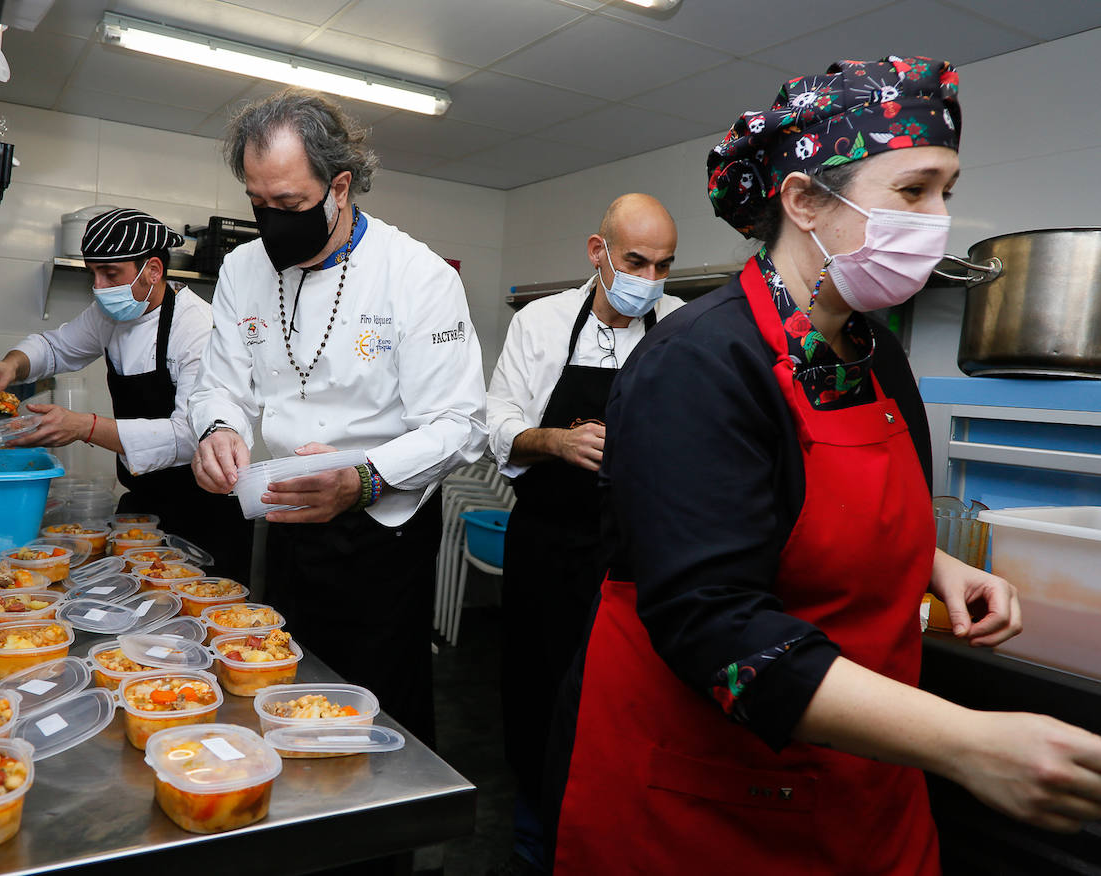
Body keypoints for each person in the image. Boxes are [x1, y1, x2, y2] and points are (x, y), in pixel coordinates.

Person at [545, 57, 1101, 875]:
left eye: (946, 190)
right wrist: (969, 740)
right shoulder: (697, 364)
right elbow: (715, 629)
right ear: (804, 200)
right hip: (711, 802)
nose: (939, 219)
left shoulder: (875, 351)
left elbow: (811, 510)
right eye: (913, 191)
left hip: (865, 782)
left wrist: (932, 561)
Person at [189, 88, 487, 747]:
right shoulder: (243, 269)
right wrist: (217, 430)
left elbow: (460, 425)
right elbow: (219, 383)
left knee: (376, 713)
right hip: (286, 520)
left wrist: (364, 479)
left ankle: (381, 842)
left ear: (340, 186)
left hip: (381, 534)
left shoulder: (418, 276)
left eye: (290, 205)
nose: (273, 224)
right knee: (290, 691)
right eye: (258, 205)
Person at [485, 193, 682, 872]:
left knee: (624, 698)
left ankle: (612, 840)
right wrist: (554, 441)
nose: (650, 279)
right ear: (598, 253)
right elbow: (498, 418)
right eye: (636, 261)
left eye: (663, 266)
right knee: (541, 689)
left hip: (637, 548)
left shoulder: (681, 328)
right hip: (547, 539)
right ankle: (534, 837)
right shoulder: (541, 323)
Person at [0, 208, 253, 577]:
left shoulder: (196, 326)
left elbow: (189, 436)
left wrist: (84, 427)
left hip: (206, 513)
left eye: (110, 274)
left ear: (153, 270)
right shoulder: (110, 316)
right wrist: (12, 364)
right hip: (145, 506)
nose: (99, 288)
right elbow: (56, 348)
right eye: (94, 274)